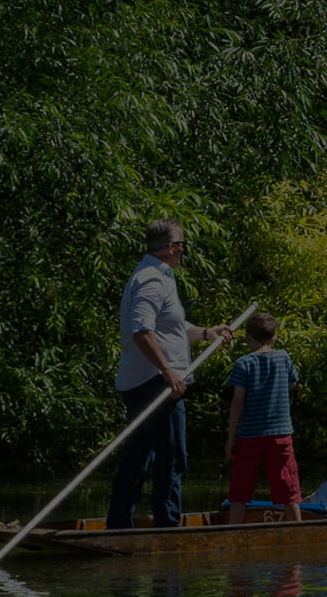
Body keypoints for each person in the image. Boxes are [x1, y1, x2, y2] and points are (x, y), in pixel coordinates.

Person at [106, 218, 233, 530]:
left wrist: (207, 332)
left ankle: (120, 525)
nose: (183, 252)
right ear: (172, 247)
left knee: (139, 458)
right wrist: (168, 372)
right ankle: (167, 527)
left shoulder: (158, 275)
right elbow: (142, 331)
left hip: (146, 383)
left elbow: (171, 329)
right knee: (172, 458)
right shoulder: (151, 279)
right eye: (182, 246)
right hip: (155, 386)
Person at [223, 312, 302, 524]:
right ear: (274, 338)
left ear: (248, 337)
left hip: (250, 435)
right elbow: (292, 383)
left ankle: (233, 536)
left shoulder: (243, 364)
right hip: (281, 433)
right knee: (288, 488)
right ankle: (298, 533)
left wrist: (231, 438)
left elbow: (238, 401)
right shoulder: (283, 357)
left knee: (239, 490)